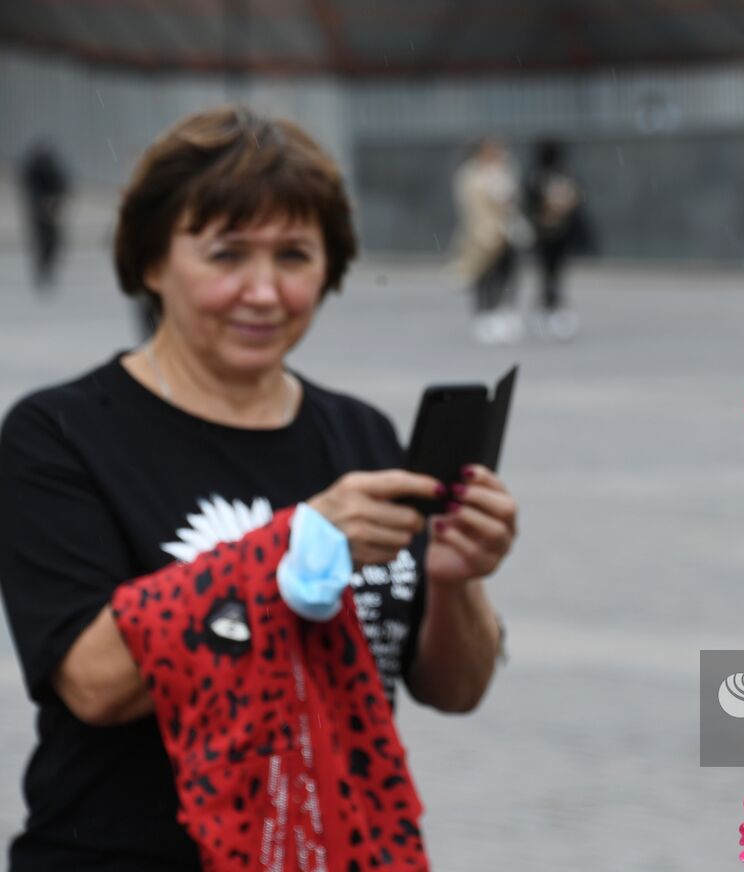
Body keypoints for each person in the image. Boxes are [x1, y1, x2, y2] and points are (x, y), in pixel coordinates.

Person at [0, 106, 512, 870]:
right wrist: (293, 543)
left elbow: (455, 688)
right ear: (150, 262)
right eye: (227, 254)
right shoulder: (61, 435)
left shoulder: (362, 438)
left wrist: (456, 583)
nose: (264, 291)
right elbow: (94, 683)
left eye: (295, 255)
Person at [452, 137, 529, 345]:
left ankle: (504, 311)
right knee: (484, 274)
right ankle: (484, 315)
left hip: (508, 231)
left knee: (507, 273)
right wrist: (485, 231)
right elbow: (472, 207)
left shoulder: (506, 170)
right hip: (482, 232)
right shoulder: (471, 174)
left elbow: (514, 199)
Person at [524, 138, 584, 340]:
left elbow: (573, 199)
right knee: (550, 271)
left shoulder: (546, 175)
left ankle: (551, 305)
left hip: (557, 231)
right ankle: (548, 305)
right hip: (547, 231)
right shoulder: (542, 176)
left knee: (552, 271)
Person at [18, 140, 69, 291]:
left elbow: (63, 186)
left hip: (51, 208)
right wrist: (38, 204)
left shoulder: (55, 170)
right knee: (40, 239)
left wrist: (54, 202)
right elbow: (28, 190)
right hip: (37, 209)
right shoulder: (32, 169)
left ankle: (48, 268)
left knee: (54, 240)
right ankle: (41, 270)